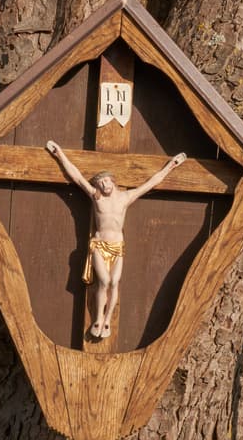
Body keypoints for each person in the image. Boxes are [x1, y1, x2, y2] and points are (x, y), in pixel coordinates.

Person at [42, 139, 186, 341]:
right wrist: (59, 154)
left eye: (106, 181)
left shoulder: (126, 198)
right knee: (104, 281)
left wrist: (171, 165)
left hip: (117, 246)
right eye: (100, 183)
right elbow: (76, 176)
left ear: (113, 181)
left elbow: (152, 183)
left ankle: (107, 320)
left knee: (115, 282)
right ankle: (98, 318)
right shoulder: (96, 197)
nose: (103, 185)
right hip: (99, 245)